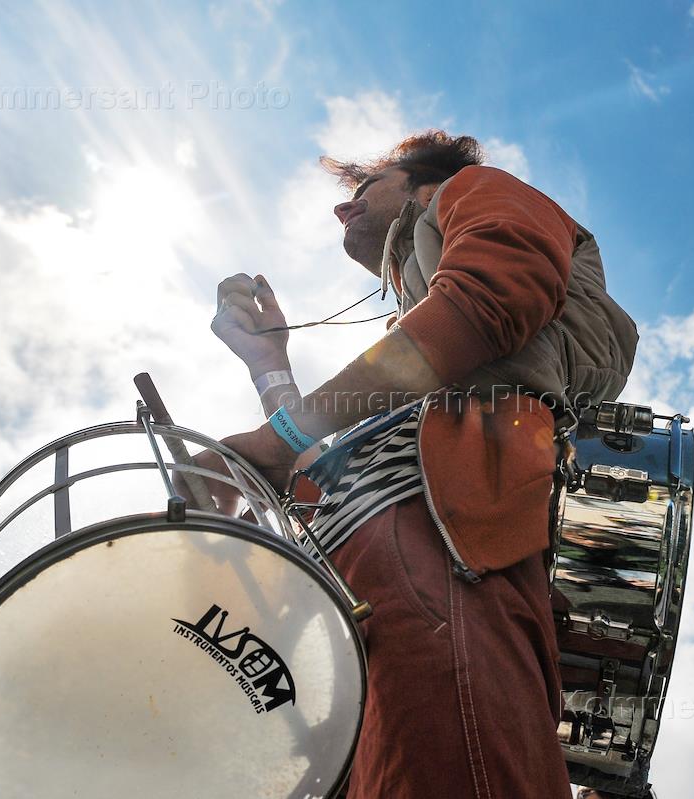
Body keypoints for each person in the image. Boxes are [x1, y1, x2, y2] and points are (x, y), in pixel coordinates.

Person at [198, 131, 638, 798]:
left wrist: (279, 436)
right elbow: (331, 475)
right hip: (367, 570)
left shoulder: (474, 191)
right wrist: (270, 366)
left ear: (422, 184)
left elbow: (485, 304)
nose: (342, 208)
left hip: (439, 547)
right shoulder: (418, 349)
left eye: (365, 187)